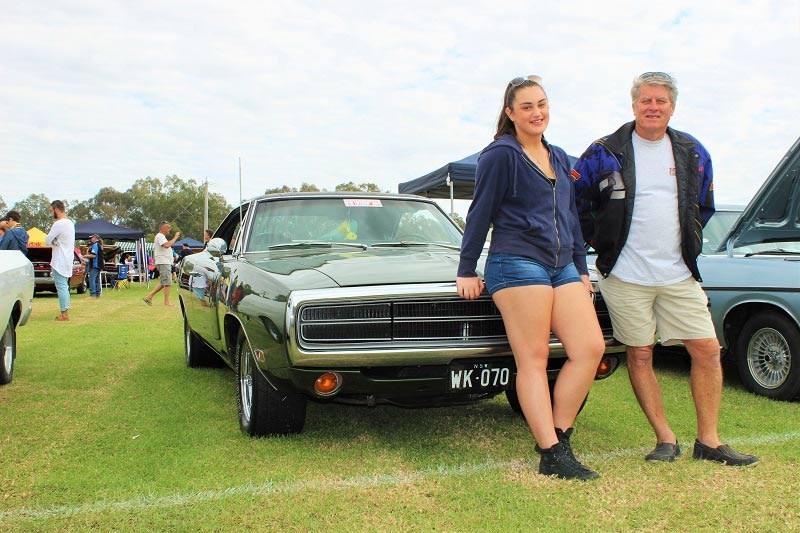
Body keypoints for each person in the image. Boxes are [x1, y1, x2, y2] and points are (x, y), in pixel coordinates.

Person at [573, 72, 758, 467]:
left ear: (672, 106)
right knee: (640, 355)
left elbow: (703, 207)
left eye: (660, 101)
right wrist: (599, 241)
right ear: (634, 104)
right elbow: (576, 202)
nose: (653, 107)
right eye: (645, 101)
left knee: (707, 350)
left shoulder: (693, 152)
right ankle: (665, 439)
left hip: (678, 274)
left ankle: (708, 440)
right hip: (624, 274)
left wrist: (684, 242)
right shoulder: (605, 151)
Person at [457, 75, 605, 481]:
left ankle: (558, 434)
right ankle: (552, 453)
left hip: (562, 267)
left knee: (589, 348)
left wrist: (580, 266)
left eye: (542, 104)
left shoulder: (558, 156)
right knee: (534, 358)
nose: (537, 112)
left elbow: (570, 217)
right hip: (516, 262)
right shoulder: (500, 155)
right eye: (527, 106)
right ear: (510, 113)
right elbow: (480, 212)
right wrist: (466, 268)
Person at [45, 200, 75, 321]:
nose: (52, 213)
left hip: (59, 259)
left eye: (52, 211)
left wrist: (54, 241)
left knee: (61, 286)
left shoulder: (59, 224)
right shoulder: (70, 223)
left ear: (56, 209)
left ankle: (64, 314)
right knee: (65, 286)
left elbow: (47, 240)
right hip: (68, 259)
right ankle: (65, 310)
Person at [143, 222, 180, 306]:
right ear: (163, 228)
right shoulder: (160, 236)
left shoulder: (161, 236)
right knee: (167, 282)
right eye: (168, 228)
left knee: (164, 281)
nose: (169, 230)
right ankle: (166, 302)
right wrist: (175, 238)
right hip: (163, 262)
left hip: (164, 262)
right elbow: (166, 245)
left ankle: (149, 297)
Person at [84, 234, 105, 298]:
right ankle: (98, 294)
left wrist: (85, 256)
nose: (91, 239)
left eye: (92, 238)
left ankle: (92, 294)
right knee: (97, 280)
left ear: (95, 238)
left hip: (95, 265)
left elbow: (93, 255)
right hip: (99, 265)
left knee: (92, 279)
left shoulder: (95, 245)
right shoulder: (99, 245)